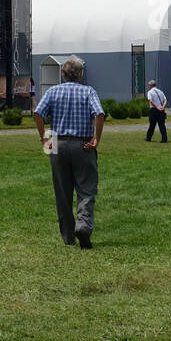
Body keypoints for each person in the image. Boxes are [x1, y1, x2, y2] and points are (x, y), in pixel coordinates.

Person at [32, 57, 105, 249]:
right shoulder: (88, 91)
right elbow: (99, 114)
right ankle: (83, 226)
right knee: (86, 189)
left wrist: (44, 138)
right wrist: (96, 139)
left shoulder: (53, 91)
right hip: (83, 144)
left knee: (62, 191)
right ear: (80, 74)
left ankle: (68, 236)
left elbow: (37, 113)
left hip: (57, 143)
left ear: (62, 74)